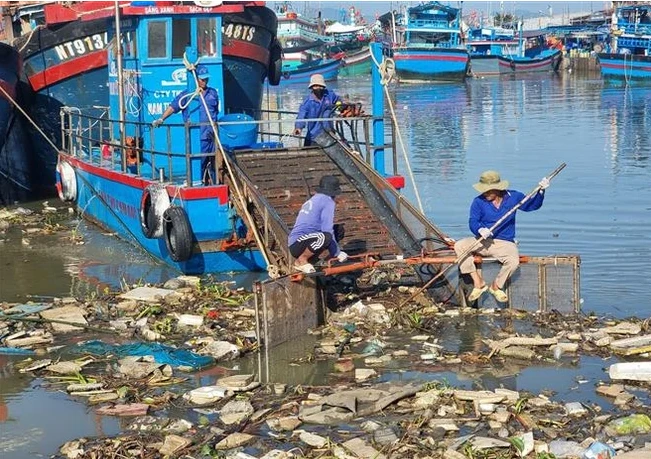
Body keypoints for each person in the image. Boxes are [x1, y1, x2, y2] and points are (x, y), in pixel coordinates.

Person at [454, 170, 550, 303]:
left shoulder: (513, 197)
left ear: (498, 189)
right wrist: (480, 229)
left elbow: (532, 206)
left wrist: (541, 192)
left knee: (513, 261)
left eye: (489, 190)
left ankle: (496, 286)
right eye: (484, 190)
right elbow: (473, 221)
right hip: (483, 240)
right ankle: (478, 283)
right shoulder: (478, 202)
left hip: (505, 242)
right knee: (460, 245)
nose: (485, 193)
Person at [152, 64, 219, 183]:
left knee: (214, 161)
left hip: (212, 135)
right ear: (196, 78)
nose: (205, 81)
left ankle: (213, 182)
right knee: (199, 161)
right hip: (197, 136)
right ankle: (197, 182)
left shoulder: (213, 93)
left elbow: (215, 112)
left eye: (206, 79)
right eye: (202, 79)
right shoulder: (187, 95)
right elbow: (173, 107)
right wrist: (161, 119)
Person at [288, 175, 348, 273]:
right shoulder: (327, 201)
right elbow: (327, 229)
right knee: (325, 236)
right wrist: (337, 252)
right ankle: (301, 261)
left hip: (301, 242)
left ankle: (323, 260)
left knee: (338, 230)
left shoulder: (315, 198)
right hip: (298, 243)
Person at [293, 73, 341, 146]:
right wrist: (298, 127)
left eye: (319, 86)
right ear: (312, 87)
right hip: (314, 136)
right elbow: (301, 115)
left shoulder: (329, 95)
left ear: (323, 86)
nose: (318, 88)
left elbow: (339, 101)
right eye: (315, 86)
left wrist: (341, 106)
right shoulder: (308, 102)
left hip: (329, 133)